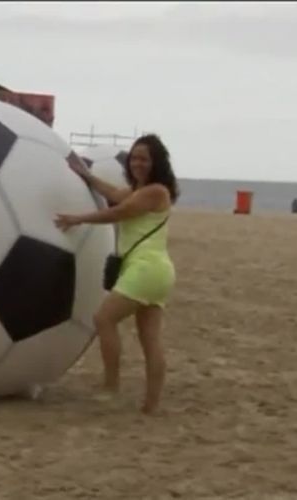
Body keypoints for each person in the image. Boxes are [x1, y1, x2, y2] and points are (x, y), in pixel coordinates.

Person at [54, 134, 178, 415]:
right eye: (134, 157)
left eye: (144, 158)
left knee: (104, 318)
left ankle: (111, 386)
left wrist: (78, 218)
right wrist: (87, 175)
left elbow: (119, 212)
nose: (137, 163)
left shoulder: (156, 192)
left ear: (156, 162)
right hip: (155, 270)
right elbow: (112, 194)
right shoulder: (140, 191)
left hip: (147, 268)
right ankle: (151, 406)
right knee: (150, 340)